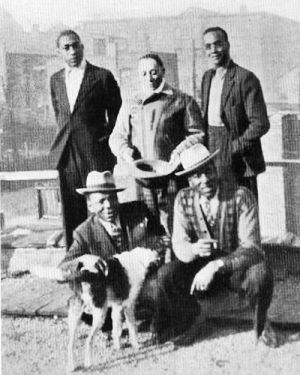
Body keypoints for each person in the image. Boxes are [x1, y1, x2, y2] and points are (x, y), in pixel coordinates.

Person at [152, 143, 276, 346]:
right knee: (166, 275)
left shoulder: (241, 196)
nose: (205, 179)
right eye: (196, 176)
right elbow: (179, 243)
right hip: (200, 269)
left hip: (235, 268)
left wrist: (216, 265)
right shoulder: (183, 199)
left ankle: (261, 323)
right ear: (189, 179)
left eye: (208, 171)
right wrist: (193, 249)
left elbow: (253, 248)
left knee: (260, 275)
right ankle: (193, 318)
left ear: (215, 168)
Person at [109, 53, 204, 233]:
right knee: (144, 228)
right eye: (144, 74)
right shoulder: (131, 102)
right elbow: (116, 136)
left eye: (153, 72)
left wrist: (179, 152)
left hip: (171, 177)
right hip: (140, 178)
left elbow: (197, 134)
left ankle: (176, 259)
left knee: (175, 225)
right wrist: (125, 151)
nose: (149, 78)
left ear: (163, 71)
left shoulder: (182, 100)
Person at [49, 30, 122, 250]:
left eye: (75, 46)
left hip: (94, 152)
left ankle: (106, 256)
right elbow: (60, 115)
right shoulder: (55, 80)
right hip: (67, 154)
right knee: (72, 207)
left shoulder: (101, 76)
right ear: (59, 51)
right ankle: (76, 260)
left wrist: (102, 141)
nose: (72, 51)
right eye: (66, 47)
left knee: (100, 204)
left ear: (82, 47)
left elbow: (117, 113)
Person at [200, 27, 270, 198]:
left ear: (227, 45)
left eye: (218, 44)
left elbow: (260, 124)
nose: (213, 50)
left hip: (239, 154)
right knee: (218, 207)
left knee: (243, 208)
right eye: (208, 46)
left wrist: (234, 147)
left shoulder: (245, 78)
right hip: (211, 147)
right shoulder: (207, 77)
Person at [59, 170, 165, 266]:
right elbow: (63, 268)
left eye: (112, 198)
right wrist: (84, 260)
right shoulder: (84, 233)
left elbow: (161, 241)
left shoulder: (138, 211)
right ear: (90, 205)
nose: (108, 205)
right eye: (101, 201)